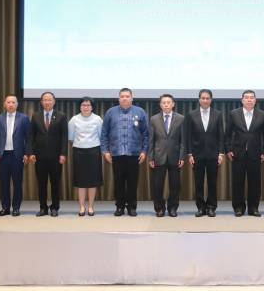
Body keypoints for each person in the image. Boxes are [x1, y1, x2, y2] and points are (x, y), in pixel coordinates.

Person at [101, 88, 149, 217]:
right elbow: (104, 133)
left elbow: (146, 134)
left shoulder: (140, 112)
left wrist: (144, 151)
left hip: (134, 154)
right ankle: (120, 206)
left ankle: (132, 207)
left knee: (133, 182)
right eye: (122, 96)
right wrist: (105, 151)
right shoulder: (111, 112)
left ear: (132, 98)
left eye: (127, 96)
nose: (124, 98)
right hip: (116, 154)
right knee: (118, 182)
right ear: (119, 98)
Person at [226, 90, 264, 217]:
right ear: (242, 100)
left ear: (255, 100)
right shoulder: (234, 114)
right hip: (237, 153)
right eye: (247, 97)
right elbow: (227, 134)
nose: (249, 100)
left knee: (255, 182)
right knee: (237, 182)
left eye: (252, 97)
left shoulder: (262, 114)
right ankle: (238, 207)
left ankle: (253, 208)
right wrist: (228, 150)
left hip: (255, 154)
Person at [185, 89, 224, 217]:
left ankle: (211, 207)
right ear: (199, 100)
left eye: (207, 98)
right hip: (197, 154)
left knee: (212, 182)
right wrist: (190, 154)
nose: (205, 100)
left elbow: (221, 134)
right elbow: (188, 135)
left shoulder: (218, 114)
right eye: (203, 98)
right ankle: (201, 207)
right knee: (198, 183)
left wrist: (221, 153)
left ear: (211, 100)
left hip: (213, 154)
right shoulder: (191, 114)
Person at [0, 95, 31, 216]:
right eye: (8, 102)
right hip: (2, 155)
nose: (11, 104)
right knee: (4, 183)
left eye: (13, 102)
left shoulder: (23, 118)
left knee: (17, 183)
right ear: (4, 104)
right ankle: (5, 208)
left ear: (17, 104)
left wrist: (27, 153)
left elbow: (28, 138)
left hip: (17, 155)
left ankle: (16, 208)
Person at [30, 91, 68, 217]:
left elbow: (64, 137)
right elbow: (31, 136)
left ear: (54, 101)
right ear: (41, 102)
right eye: (45, 100)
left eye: (49, 100)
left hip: (56, 157)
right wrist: (31, 153)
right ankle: (43, 207)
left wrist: (63, 153)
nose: (47, 102)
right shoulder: (35, 116)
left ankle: (55, 207)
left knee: (55, 184)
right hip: (39, 156)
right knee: (41, 184)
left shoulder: (61, 116)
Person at [148, 94, 185, 217]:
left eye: (168, 102)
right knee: (157, 185)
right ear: (160, 105)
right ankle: (159, 208)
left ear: (173, 104)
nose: (166, 105)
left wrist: (182, 156)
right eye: (163, 102)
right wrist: (151, 157)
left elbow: (183, 140)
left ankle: (173, 208)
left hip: (175, 156)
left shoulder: (181, 118)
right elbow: (151, 140)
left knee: (175, 185)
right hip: (158, 156)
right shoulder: (154, 119)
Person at [68, 97, 103, 216]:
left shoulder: (98, 119)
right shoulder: (74, 119)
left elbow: (101, 135)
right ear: (80, 107)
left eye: (88, 105)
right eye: (83, 105)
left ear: (92, 107)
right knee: (81, 181)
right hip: (79, 152)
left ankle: (91, 206)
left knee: (93, 181)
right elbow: (71, 137)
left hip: (94, 151)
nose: (86, 107)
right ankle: (82, 206)